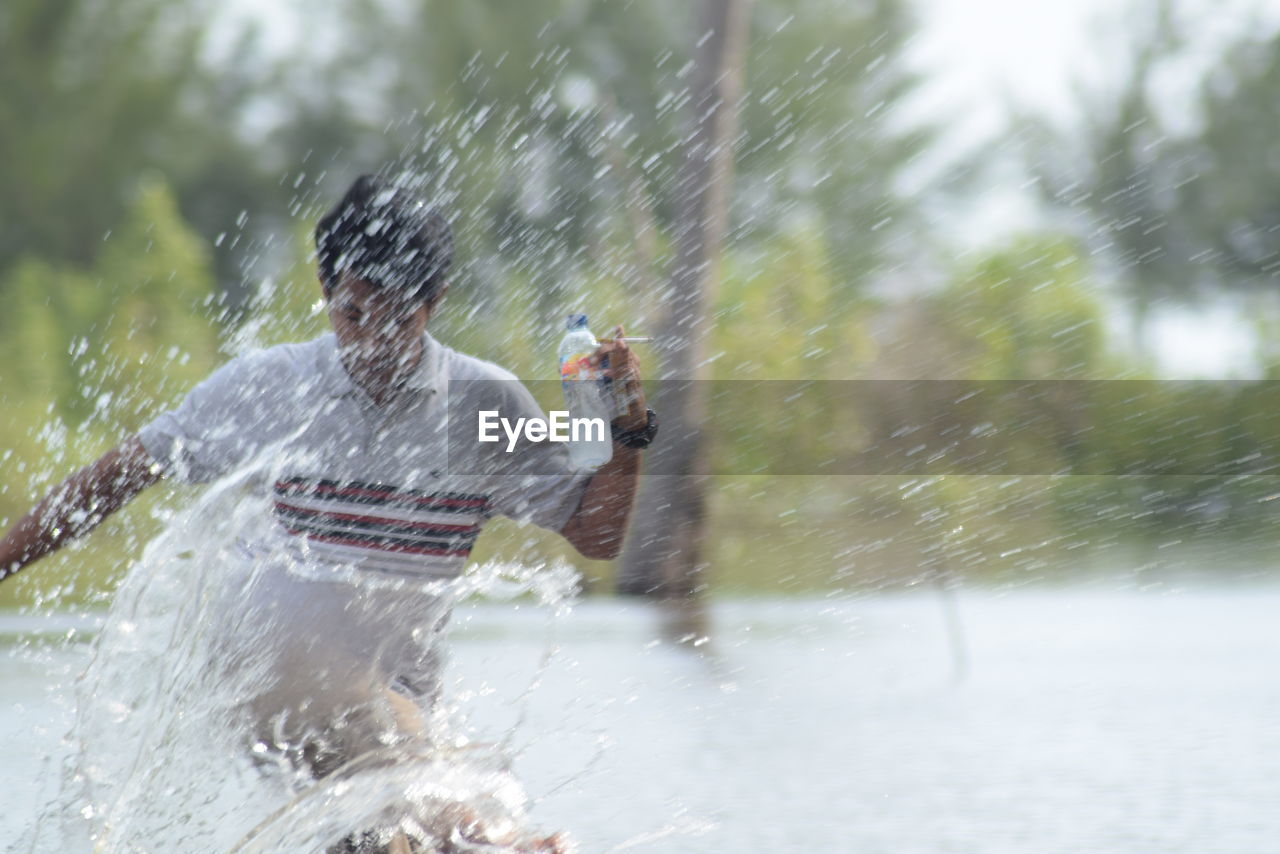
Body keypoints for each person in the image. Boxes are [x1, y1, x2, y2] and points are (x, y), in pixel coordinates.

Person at [0, 173, 658, 853]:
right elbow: (110, 480)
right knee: (483, 838)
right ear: (325, 290)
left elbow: (597, 534)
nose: (372, 341)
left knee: (389, 838)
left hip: (391, 702)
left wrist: (624, 432)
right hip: (273, 676)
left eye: (397, 319)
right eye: (353, 314)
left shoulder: (483, 406)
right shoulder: (267, 388)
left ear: (434, 302)